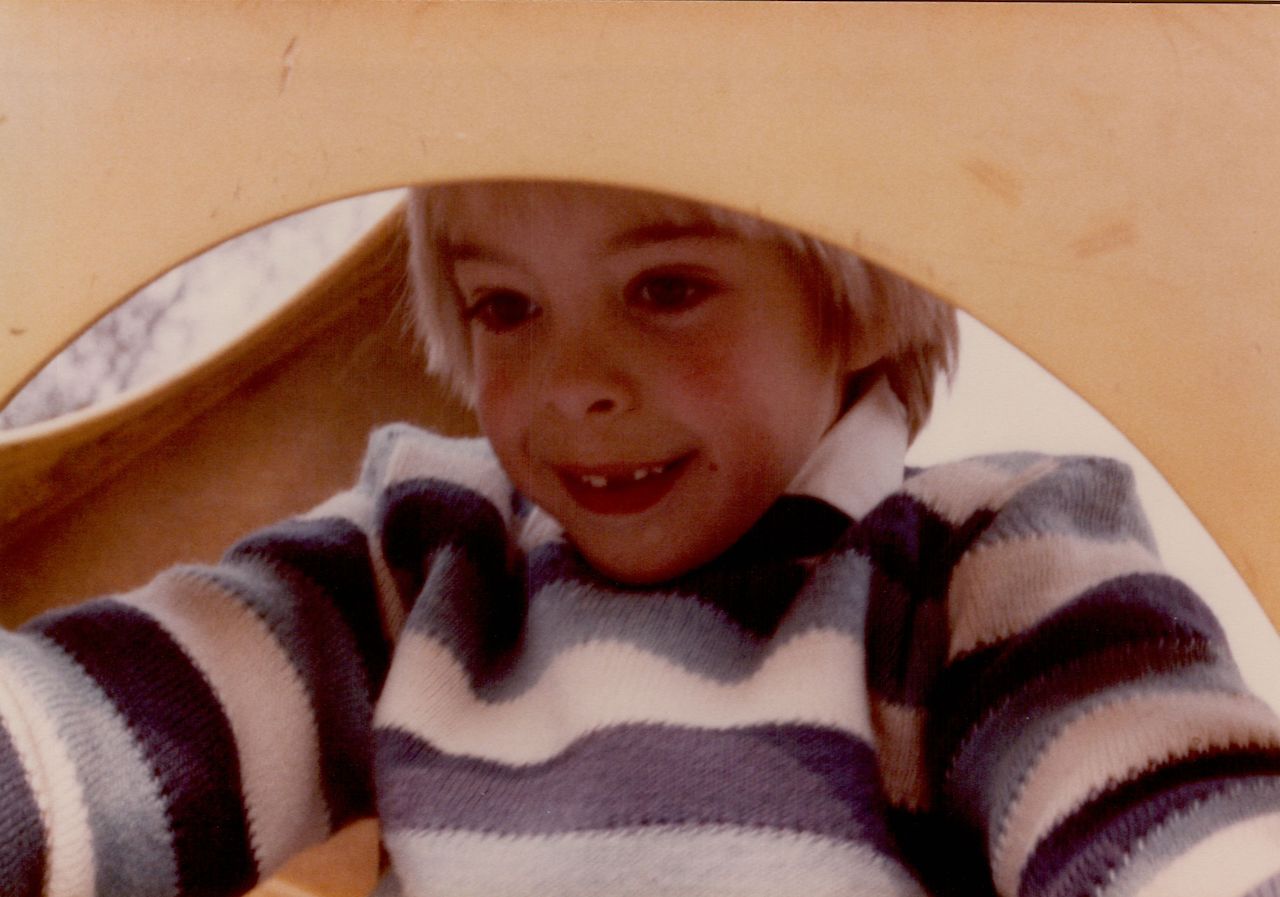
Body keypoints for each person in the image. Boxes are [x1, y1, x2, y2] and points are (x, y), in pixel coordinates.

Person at [3, 180, 1279, 897]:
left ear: (853, 292)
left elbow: (1171, 823)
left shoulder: (973, 567)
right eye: (505, 307)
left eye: (665, 290)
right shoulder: (427, 563)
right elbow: (123, 727)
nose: (574, 383)